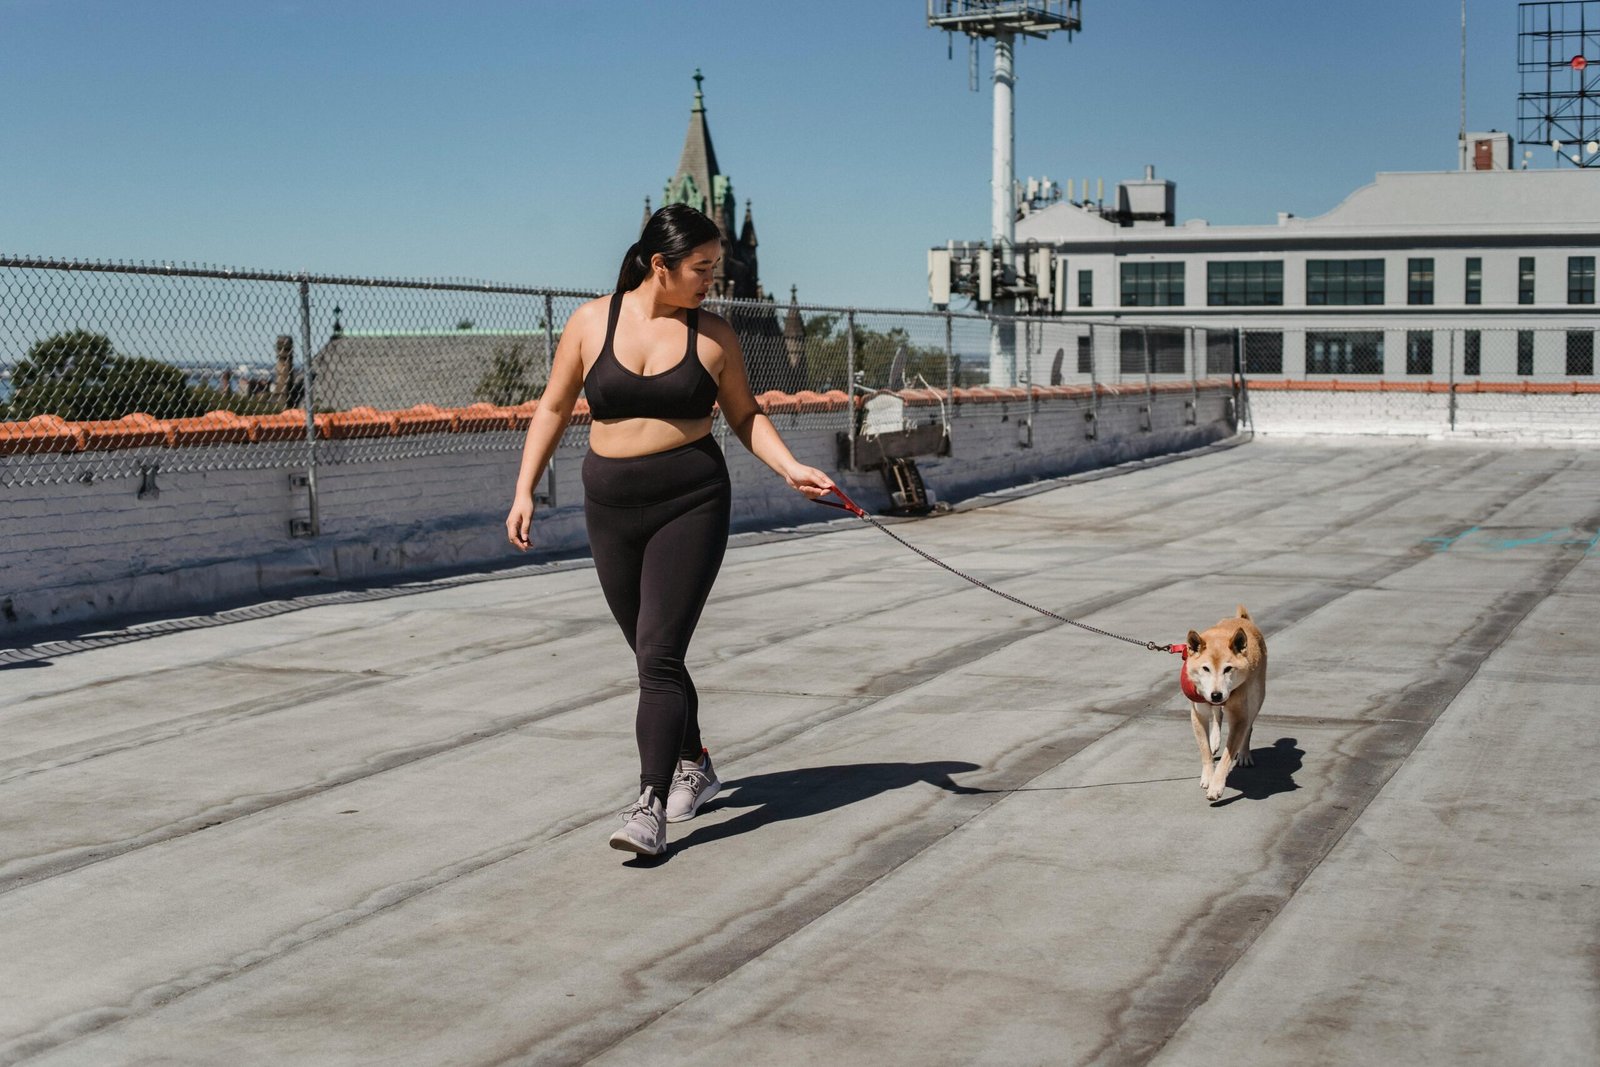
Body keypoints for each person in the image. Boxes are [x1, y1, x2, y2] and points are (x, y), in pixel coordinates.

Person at [506, 204, 835, 857]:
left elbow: (745, 415)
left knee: (657, 654)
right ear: (661, 264)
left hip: (691, 501)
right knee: (651, 652)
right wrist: (524, 489)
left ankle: (648, 805)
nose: (712, 280)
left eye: (716, 267)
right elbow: (554, 405)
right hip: (609, 506)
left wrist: (791, 467)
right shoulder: (590, 322)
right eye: (701, 268)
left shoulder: (713, 334)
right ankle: (695, 762)